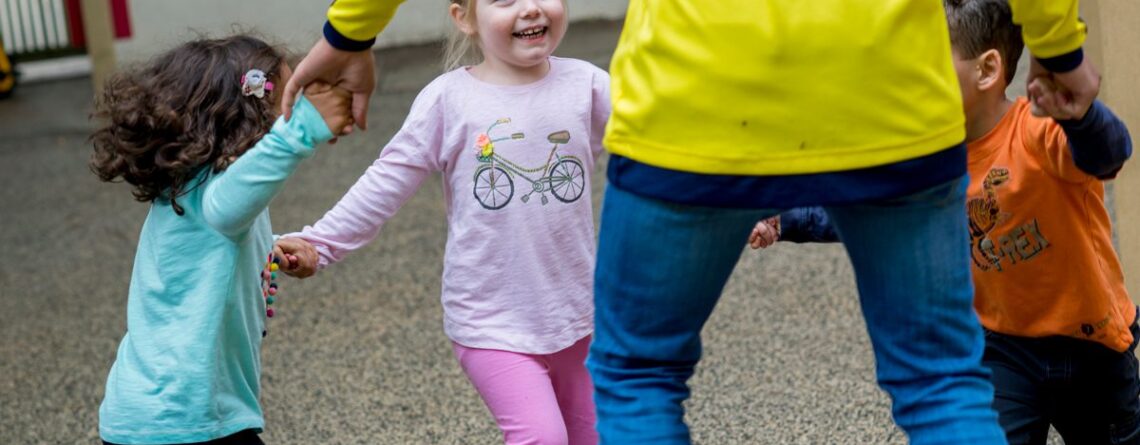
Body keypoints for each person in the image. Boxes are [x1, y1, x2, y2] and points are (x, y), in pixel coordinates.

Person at [286, 0, 1103, 443]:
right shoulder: (453, 100)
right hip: (890, 101)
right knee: (941, 384)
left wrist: (350, 29)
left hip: (695, 108)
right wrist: (1059, 52)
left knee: (639, 378)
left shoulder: (580, 85)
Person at [753, 1, 1136, 442]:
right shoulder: (928, 156)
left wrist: (1082, 117)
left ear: (987, 70)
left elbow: (1109, 155)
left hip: (1092, 347)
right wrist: (785, 219)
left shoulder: (1036, 130)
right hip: (1003, 347)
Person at [275, 0, 608, 443]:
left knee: (598, 436)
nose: (530, 8)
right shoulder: (448, 100)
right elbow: (386, 182)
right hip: (491, 322)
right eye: (506, 0)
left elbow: (651, 151)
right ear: (464, 18)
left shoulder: (588, 85)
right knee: (543, 437)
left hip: (580, 314)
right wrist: (320, 242)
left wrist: (720, 195)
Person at [90, 34, 352, 445]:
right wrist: (306, 128)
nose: (287, 119)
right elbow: (230, 207)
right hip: (188, 420)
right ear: (245, 122)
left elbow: (208, 248)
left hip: (147, 415)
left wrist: (269, 245)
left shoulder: (185, 190)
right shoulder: (223, 196)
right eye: (283, 110)